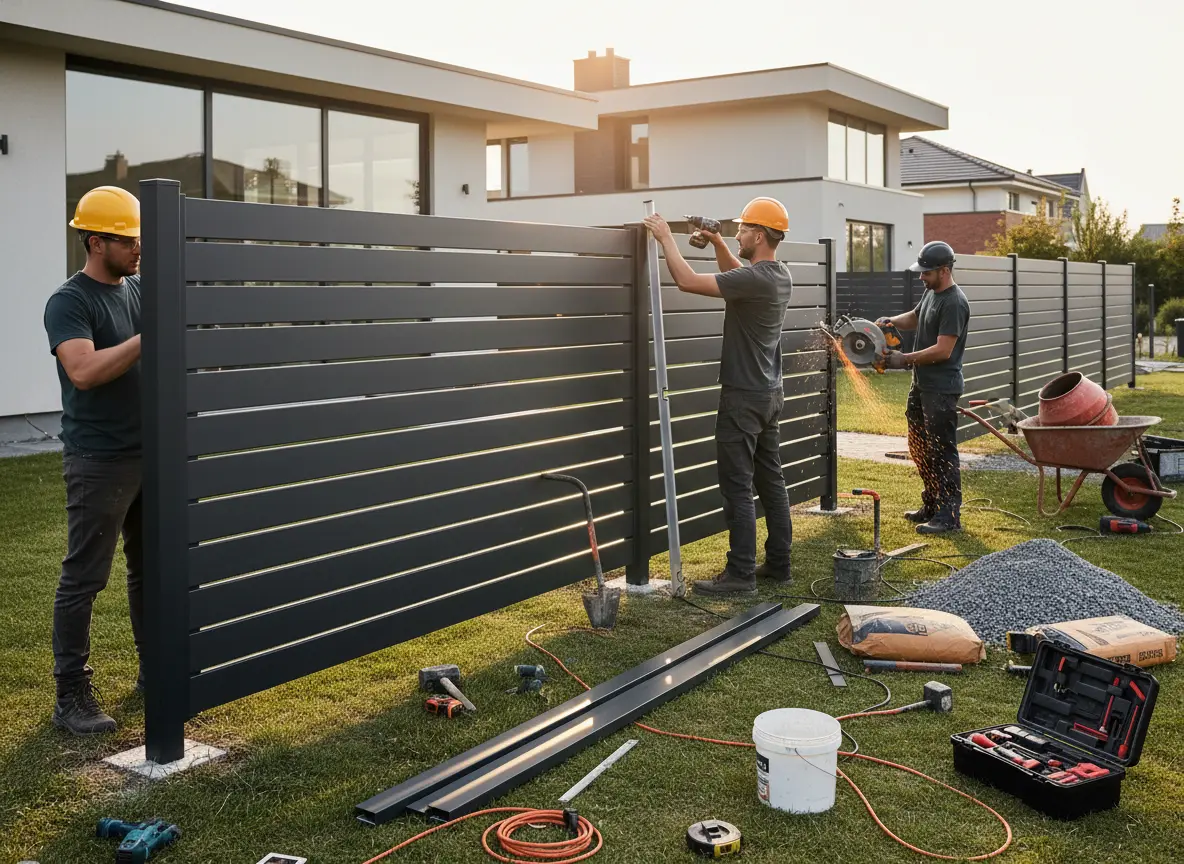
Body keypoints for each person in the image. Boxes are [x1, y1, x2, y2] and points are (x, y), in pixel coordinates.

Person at [644, 198, 794, 595]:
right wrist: (717, 243)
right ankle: (779, 564)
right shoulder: (778, 275)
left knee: (738, 487)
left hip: (743, 398)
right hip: (768, 395)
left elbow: (687, 281)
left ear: (759, 235)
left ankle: (741, 574)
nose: (738, 233)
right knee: (771, 481)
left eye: (743, 229)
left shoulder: (757, 279)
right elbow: (738, 277)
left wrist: (665, 239)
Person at [43, 186, 145, 735]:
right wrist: (148, 340)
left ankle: (158, 669)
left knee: (152, 571)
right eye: (128, 241)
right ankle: (71, 696)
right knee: (84, 577)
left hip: (151, 454)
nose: (137, 249)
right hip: (99, 459)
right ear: (95, 239)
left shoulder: (138, 289)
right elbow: (82, 370)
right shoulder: (70, 301)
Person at [878, 240, 971, 535]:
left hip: (941, 389)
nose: (921, 277)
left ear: (944, 271)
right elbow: (916, 317)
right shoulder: (931, 293)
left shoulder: (954, 303)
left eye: (926, 273)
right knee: (919, 447)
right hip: (922, 385)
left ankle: (949, 515)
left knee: (942, 450)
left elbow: (944, 350)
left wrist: (904, 359)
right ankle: (931, 503)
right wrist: (889, 321)